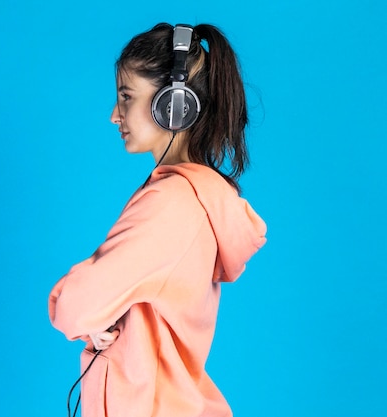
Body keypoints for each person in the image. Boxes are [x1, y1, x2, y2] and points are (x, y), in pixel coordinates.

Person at [48, 22, 267, 417]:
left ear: (174, 105)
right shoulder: (192, 199)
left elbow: (73, 307)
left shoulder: (171, 205)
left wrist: (86, 311)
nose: (115, 115)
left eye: (126, 97)